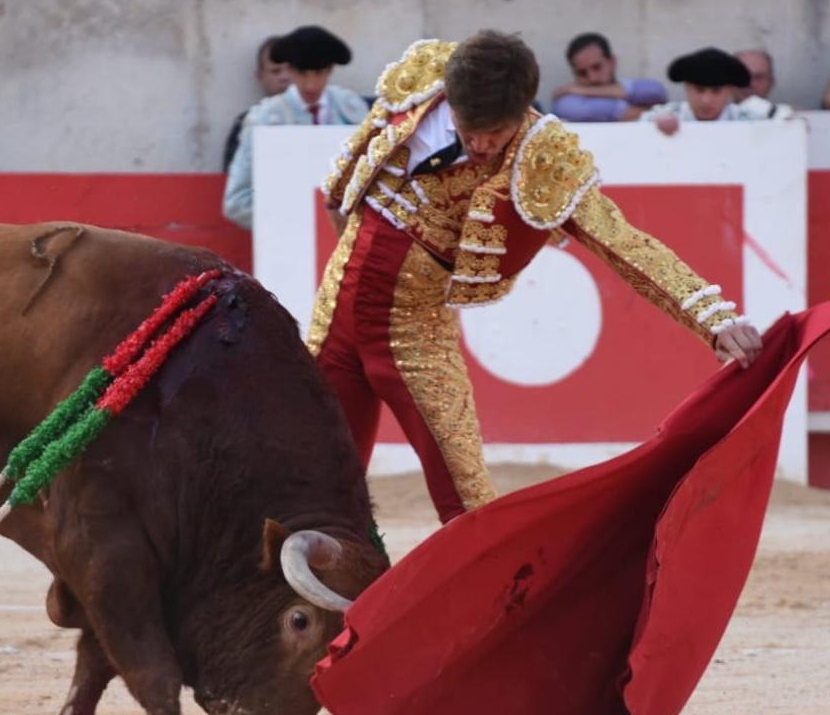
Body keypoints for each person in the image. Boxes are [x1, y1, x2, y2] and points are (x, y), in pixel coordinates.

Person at [313, 31, 762, 523]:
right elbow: (348, 181)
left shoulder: (543, 157)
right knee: (313, 478)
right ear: (451, 99)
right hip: (335, 308)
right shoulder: (422, 84)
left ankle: (491, 600)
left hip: (412, 332)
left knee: (465, 498)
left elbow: (623, 244)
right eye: (469, 129)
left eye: (497, 134)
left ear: (524, 111)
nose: (482, 146)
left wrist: (713, 318)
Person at [222, 25, 370, 229]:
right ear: (290, 69)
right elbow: (237, 202)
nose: (310, 84)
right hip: (288, 244)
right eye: (302, 73)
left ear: (330, 71)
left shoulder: (353, 111)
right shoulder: (264, 119)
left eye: (318, 73)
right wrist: (288, 224)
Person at [641, 48, 777, 136]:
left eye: (716, 91)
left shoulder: (751, 120)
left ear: (729, 90)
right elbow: (638, 129)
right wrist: (655, 126)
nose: (706, 100)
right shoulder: (666, 114)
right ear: (687, 88)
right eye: (699, 90)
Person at [551, 32, 667, 122]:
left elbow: (656, 92)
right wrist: (647, 112)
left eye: (597, 67)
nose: (592, 78)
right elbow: (576, 111)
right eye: (582, 73)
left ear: (612, 62)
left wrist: (581, 90)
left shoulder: (574, 91)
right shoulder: (567, 101)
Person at [221, 36, 291, 171]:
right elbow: (232, 179)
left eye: (292, 69)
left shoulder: (321, 119)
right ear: (261, 76)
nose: (285, 77)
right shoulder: (247, 123)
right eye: (276, 71)